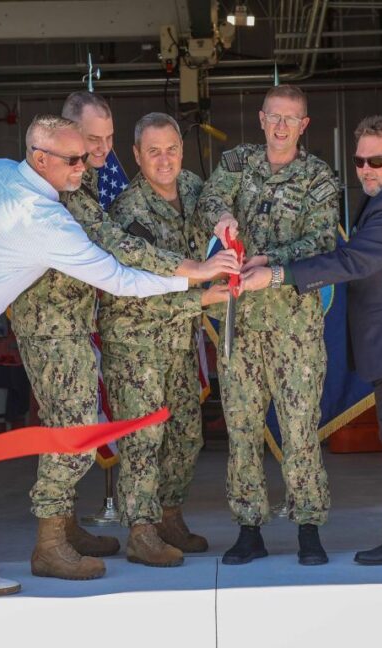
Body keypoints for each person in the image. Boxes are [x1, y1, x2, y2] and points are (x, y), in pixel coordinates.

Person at [0, 114, 234, 596]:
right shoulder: (44, 217)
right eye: (74, 159)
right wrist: (193, 277)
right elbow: (117, 277)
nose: (86, 165)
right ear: (40, 157)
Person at [10, 94, 233, 581]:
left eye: (109, 139)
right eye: (94, 141)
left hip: (86, 319)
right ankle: (118, 532)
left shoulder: (90, 179)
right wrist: (194, 275)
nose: (102, 151)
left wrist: (220, 224)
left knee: (168, 433)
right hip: (61, 324)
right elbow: (122, 251)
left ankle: (81, 527)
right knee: (97, 432)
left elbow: (207, 195)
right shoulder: (69, 189)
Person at [241, 115, 382, 565]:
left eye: (376, 160)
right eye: (359, 160)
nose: (365, 169)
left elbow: (355, 260)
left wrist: (277, 273)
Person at [199, 84, 339, 566]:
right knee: (241, 427)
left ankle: (308, 526)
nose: (280, 126)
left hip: (294, 326)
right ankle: (249, 528)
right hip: (240, 324)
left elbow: (322, 244)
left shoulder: (319, 177)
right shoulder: (239, 163)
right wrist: (221, 220)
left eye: (290, 119)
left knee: (300, 427)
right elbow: (211, 196)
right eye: (273, 116)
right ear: (260, 119)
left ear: (304, 126)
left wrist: (269, 260)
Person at [100, 113, 211, 567]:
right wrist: (204, 299)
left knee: (186, 435)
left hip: (181, 340)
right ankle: (141, 531)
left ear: (181, 151)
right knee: (144, 441)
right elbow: (132, 296)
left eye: (171, 149)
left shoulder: (195, 190)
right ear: (136, 156)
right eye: (153, 152)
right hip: (136, 344)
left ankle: (169, 516)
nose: (164, 160)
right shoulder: (128, 212)